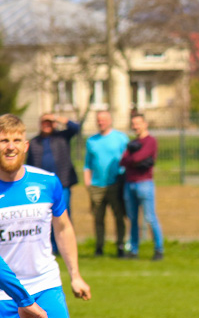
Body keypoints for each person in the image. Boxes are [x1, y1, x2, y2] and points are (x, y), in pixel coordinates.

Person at [0, 114, 93, 318]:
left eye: (16, 140)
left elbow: (63, 227)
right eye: (3, 140)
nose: (10, 146)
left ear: (26, 145)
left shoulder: (47, 182)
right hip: (2, 293)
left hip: (44, 285)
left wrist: (75, 274)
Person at [26, 113, 81, 254]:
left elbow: (76, 128)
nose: (47, 125)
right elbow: (29, 164)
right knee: (43, 217)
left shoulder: (61, 137)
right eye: (44, 122)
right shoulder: (34, 142)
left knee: (62, 216)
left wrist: (57, 118)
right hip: (41, 187)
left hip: (62, 184)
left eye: (49, 122)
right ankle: (50, 247)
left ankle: (65, 246)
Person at [84, 110, 128, 257]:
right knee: (98, 219)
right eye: (98, 120)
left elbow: (127, 161)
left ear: (110, 120)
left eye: (103, 120)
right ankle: (99, 247)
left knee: (118, 217)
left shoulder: (121, 139)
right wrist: (87, 183)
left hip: (115, 184)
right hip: (96, 186)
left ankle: (120, 246)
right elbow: (87, 165)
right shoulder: (91, 141)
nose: (100, 122)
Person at [120, 113, 163, 260]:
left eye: (138, 123)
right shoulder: (132, 142)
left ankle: (159, 249)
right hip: (130, 183)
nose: (135, 126)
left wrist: (132, 159)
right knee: (133, 219)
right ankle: (134, 250)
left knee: (150, 217)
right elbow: (123, 161)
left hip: (144, 184)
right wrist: (134, 160)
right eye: (133, 124)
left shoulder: (150, 141)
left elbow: (137, 157)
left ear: (145, 124)